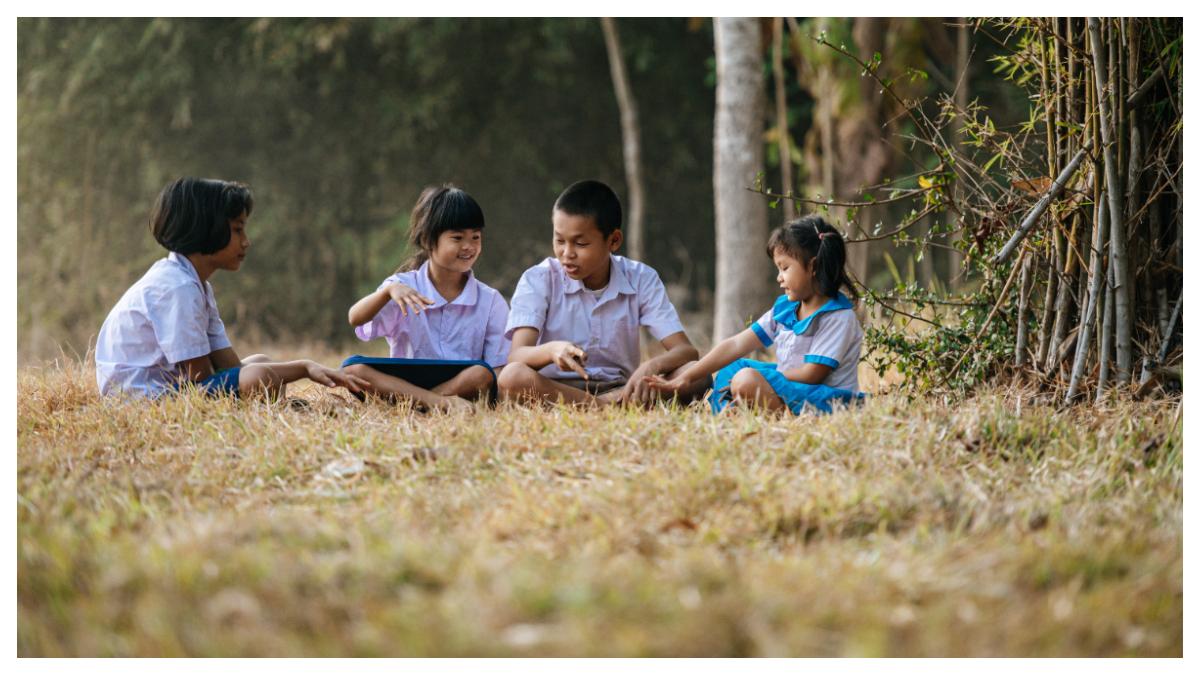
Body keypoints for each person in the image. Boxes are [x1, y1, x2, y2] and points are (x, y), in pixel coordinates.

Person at [95, 177, 368, 400]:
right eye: (238, 230)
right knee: (258, 377)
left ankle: (276, 406)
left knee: (260, 363)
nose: (246, 242)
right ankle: (277, 406)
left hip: (174, 388)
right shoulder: (177, 288)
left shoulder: (196, 284)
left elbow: (229, 367)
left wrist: (298, 368)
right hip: (142, 399)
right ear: (207, 229)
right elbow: (198, 379)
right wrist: (304, 367)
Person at [500, 179, 709, 406]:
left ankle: (599, 405)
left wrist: (651, 366)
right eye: (559, 240)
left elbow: (686, 350)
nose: (566, 253)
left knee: (697, 374)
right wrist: (551, 350)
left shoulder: (641, 279)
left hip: (621, 388)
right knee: (512, 376)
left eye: (580, 244)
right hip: (555, 389)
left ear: (614, 240)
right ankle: (603, 408)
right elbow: (516, 356)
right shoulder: (538, 279)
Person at [648, 215, 865, 414]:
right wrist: (687, 377)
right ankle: (729, 410)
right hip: (788, 387)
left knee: (745, 379)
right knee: (732, 368)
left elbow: (811, 375)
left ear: (813, 266)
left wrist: (762, 378)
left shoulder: (838, 318)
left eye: (785, 268)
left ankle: (762, 411)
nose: (779, 278)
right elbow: (736, 344)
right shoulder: (786, 309)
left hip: (827, 400)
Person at [343, 185, 509, 412]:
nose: (468, 246)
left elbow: (497, 371)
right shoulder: (400, 286)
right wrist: (386, 292)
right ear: (428, 241)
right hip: (405, 382)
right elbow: (355, 318)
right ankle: (439, 404)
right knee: (352, 370)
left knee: (482, 373)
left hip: (458, 384)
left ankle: (418, 404)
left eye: (475, 237)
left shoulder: (491, 301)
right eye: (457, 237)